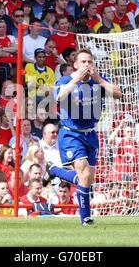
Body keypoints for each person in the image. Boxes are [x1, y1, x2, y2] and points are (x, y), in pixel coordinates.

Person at [43, 48, 122, 225]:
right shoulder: (66, 80)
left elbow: (118, 94)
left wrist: (99, 80)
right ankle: (85, 217)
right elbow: (59, 96)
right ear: (76, 65)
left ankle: (53, 170)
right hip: (71, 134)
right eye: (83, 62)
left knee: (86, 179)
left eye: (89, 61)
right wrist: (76, 79)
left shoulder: (97, 82)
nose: (87, 65)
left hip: (91, 134)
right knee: (84, 175)